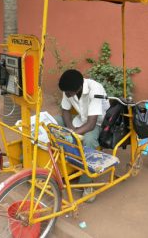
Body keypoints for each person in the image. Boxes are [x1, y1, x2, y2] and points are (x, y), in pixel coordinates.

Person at [56, 69, 110, 201]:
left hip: (98, 123)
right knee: (52, 122)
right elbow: (65, 111)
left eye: (68, 93)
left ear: (79, 88)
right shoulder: (68, 89)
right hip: (81, 120)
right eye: (65, 93)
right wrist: (70, 129)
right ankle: (59, 166)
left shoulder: (95, 89)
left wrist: (71, 134)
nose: (67, 95)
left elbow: (91, 124)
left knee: (89, 140)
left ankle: (87, 182)